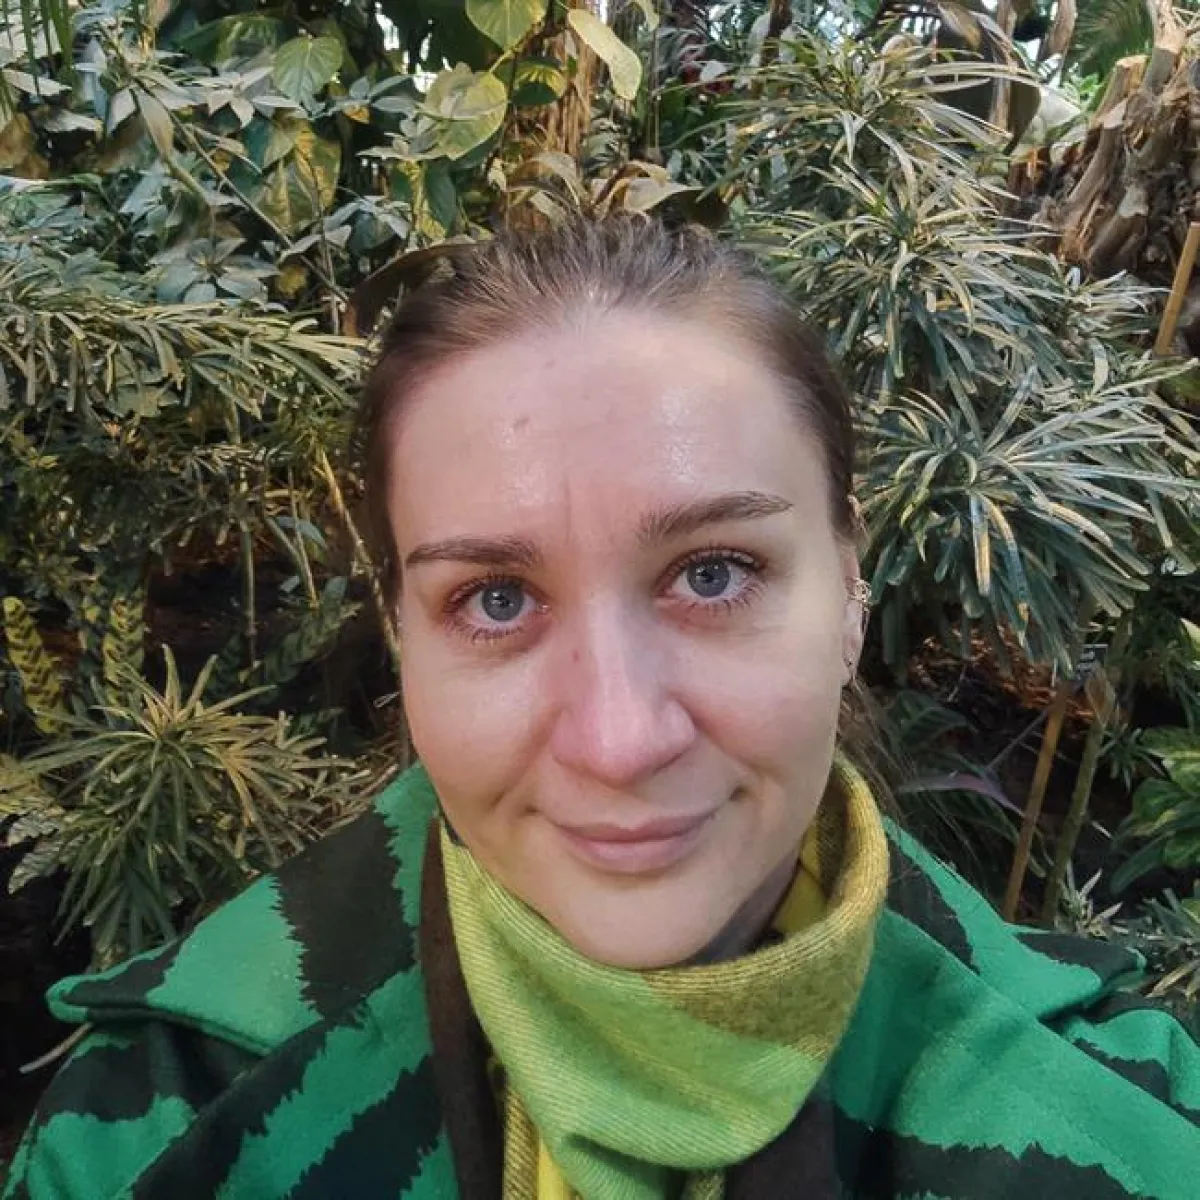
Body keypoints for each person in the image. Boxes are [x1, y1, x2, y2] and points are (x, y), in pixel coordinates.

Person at [5, 217, 1199, 1200]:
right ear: (402, 630)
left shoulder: (1134, 1126)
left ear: (849, 588)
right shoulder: (162, 1125)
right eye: (496, 599)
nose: (621, 742)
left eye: (713, 574)